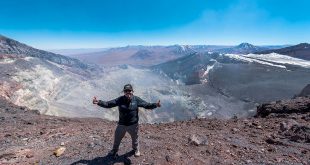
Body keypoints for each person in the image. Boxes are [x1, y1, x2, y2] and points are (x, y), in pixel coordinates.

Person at [92, 84, 161, 158]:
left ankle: (136, 150)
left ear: (132, 91)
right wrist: (98, 102)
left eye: (129, 91)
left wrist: (155, 105)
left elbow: (147, 105)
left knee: (135, 139)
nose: (128, 92)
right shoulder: (120, 100)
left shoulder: (136, 99)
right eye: (126, 91)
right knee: (117, 139)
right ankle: (114, 150)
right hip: (121, 124)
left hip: (133, 125)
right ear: (124, 92)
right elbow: (108, 104)